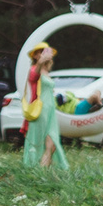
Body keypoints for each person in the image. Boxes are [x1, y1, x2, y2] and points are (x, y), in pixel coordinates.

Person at [20, 42, 69, 172]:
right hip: (40, 110)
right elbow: (33, 77)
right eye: (41, 52)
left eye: (45, 51)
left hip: (50, 110)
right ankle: (39, 172)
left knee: (52, 143)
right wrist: (41, 62)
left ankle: (42, 171)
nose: (44, 54)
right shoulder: (34, 70)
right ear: (35, 56)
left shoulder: (46, 71)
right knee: (40, 142)